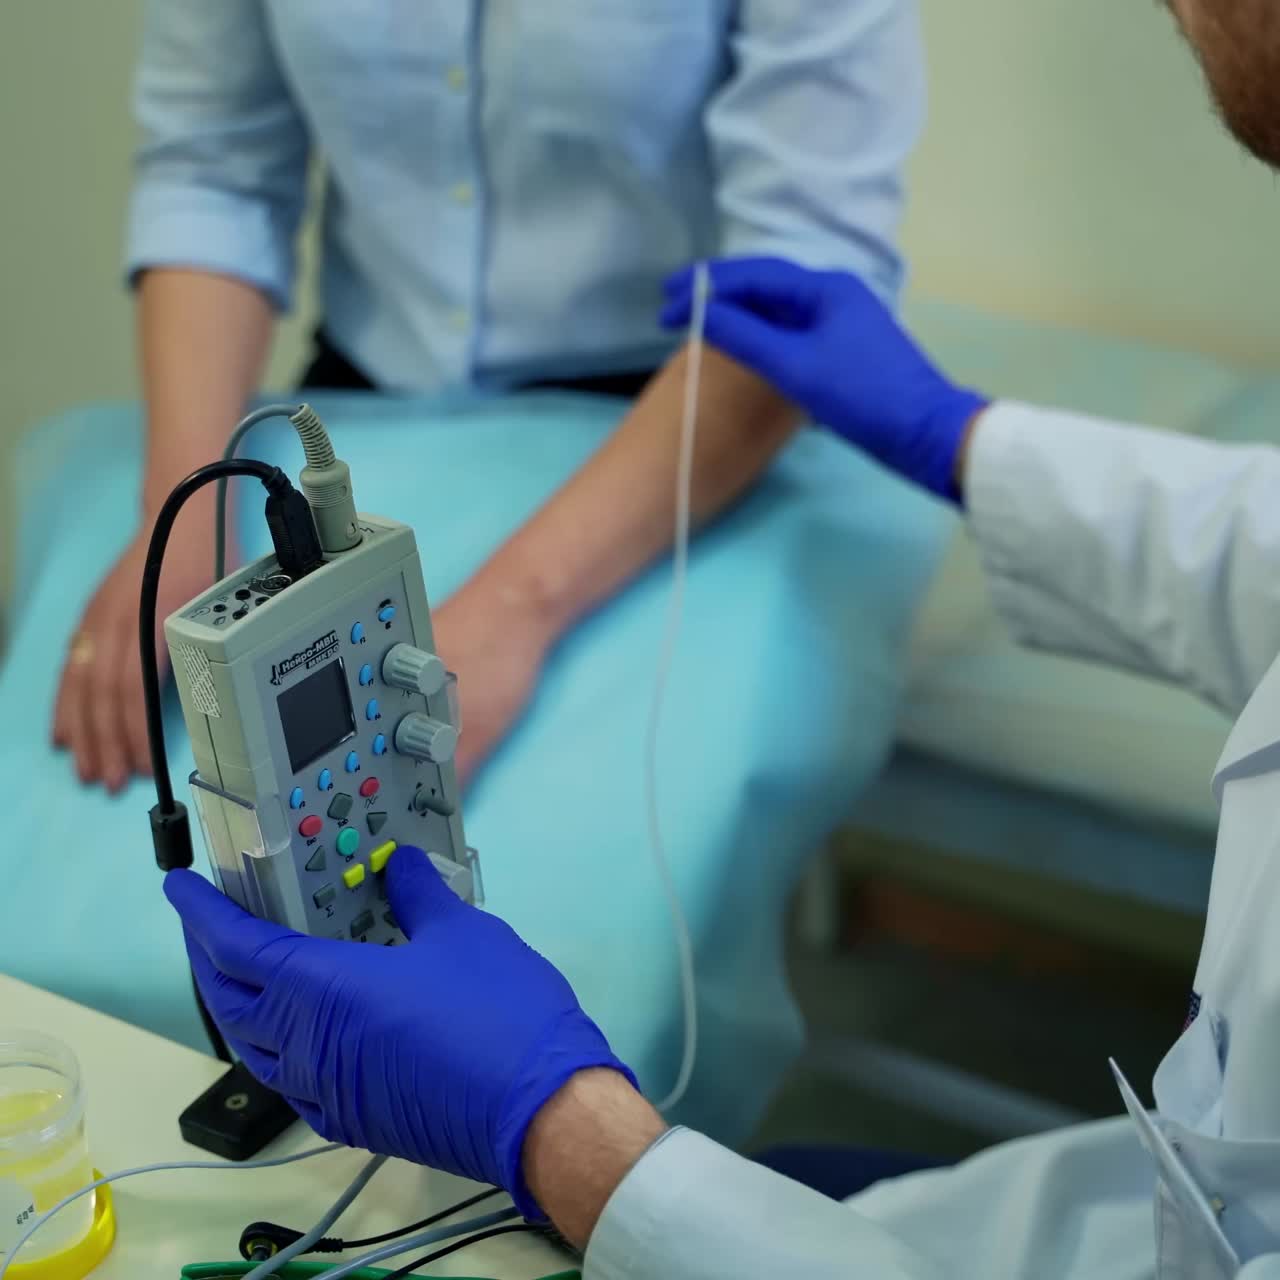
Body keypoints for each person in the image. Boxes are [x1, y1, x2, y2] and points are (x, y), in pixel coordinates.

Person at [165, 0, 1280, 1275]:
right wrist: (965, 440)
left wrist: (565, 1136)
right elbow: (208, 158)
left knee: (602, 990)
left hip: (678, 463)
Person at [52, 0, 924, 793]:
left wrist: (517, 609)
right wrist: (184, 510)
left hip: (682, 432)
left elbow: (802, 280)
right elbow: (215, 172)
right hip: (366, 408)